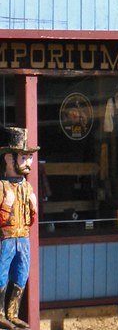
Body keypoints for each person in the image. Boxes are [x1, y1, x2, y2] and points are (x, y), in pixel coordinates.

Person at [0, 128, 37, 330]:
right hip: (5, 239)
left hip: (23, 238)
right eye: (24, 158)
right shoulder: (2, 187)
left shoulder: (27, 187)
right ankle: (0, 313)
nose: (28, 163)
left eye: (30, 158)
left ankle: (13, 313)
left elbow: (29, 221)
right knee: (1, 275)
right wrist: (6, 205)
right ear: (9, 159)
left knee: (21, 274)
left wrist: (33, 209)